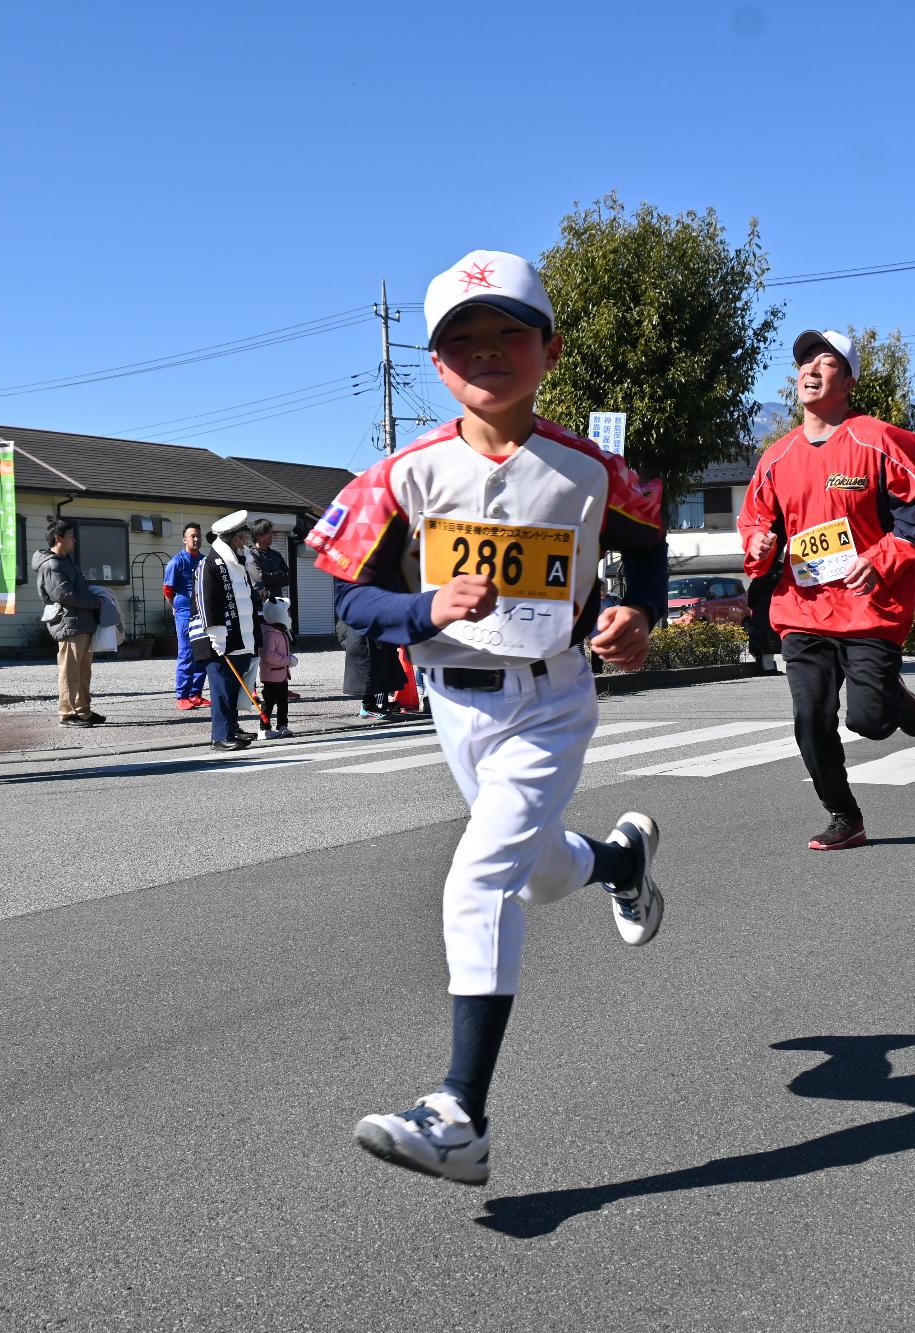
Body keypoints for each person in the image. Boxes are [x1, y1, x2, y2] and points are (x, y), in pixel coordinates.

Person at [309, 250, 668, 1184]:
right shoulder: (402, 474)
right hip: (453, 705)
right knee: (539, 874)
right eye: (462, 339)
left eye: (510, 332)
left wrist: (640, 614)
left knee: (478, 880)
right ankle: (622, 859)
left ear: (549, 348)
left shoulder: (590, 469)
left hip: (552, 700)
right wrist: (425, 610)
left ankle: (461, 1112)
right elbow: (349, 600)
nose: (488, 351)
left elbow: (646, 543)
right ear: (436, 364)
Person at [739, 327, 915, 852]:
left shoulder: (880, 442)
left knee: (869, 722)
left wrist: (879, 559)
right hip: (801, 608)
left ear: (847, 379)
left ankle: (892, 697)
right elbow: (758, 520)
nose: (810, 369)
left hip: (870, 609)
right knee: (810, 718)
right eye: (804, 361)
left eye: (825, 362)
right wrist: (759, 543)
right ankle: (843, 814)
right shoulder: (778, 456)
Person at [189, 511, 262, 750]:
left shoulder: (239, 563)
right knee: (221, 687)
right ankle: (220, 737)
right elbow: (206, 602)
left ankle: (232, 730)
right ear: (233, 538)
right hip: (217, 636)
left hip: (239, 633)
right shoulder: (209, 564)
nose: (247, 542)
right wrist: (216, 635)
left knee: (236, 685)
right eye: (243, 538)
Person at [31, 518, 106, 728]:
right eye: (71, 536)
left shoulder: (65, 560)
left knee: (83, 671)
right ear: (58, 538)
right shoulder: (53, 564)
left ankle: (83, 710)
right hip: (69, 623)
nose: (75, 540)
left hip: (80, 622)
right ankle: (67, 712)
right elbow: (64, 594)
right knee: (69, 671)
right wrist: (93, 603)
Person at [162, 523, 209, 712]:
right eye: (192, 536)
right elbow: (167, 589)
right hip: (184, 615)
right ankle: (182, 696)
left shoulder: (205, 560)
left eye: (198, 536)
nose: (196, 539)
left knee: (203, 653)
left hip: (202, 614)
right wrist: (177, 607)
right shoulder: (177, 561)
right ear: (184, 539)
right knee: (187, 654)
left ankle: (195, 694)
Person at [258, 599, 297, 738]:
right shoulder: (270, 633)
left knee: (282, 703)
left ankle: (282, 726)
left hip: (281, 674)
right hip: (271, 675)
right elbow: (269, 656)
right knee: (268, 704)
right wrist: (289, 660)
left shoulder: (279, 630)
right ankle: (264, 728)